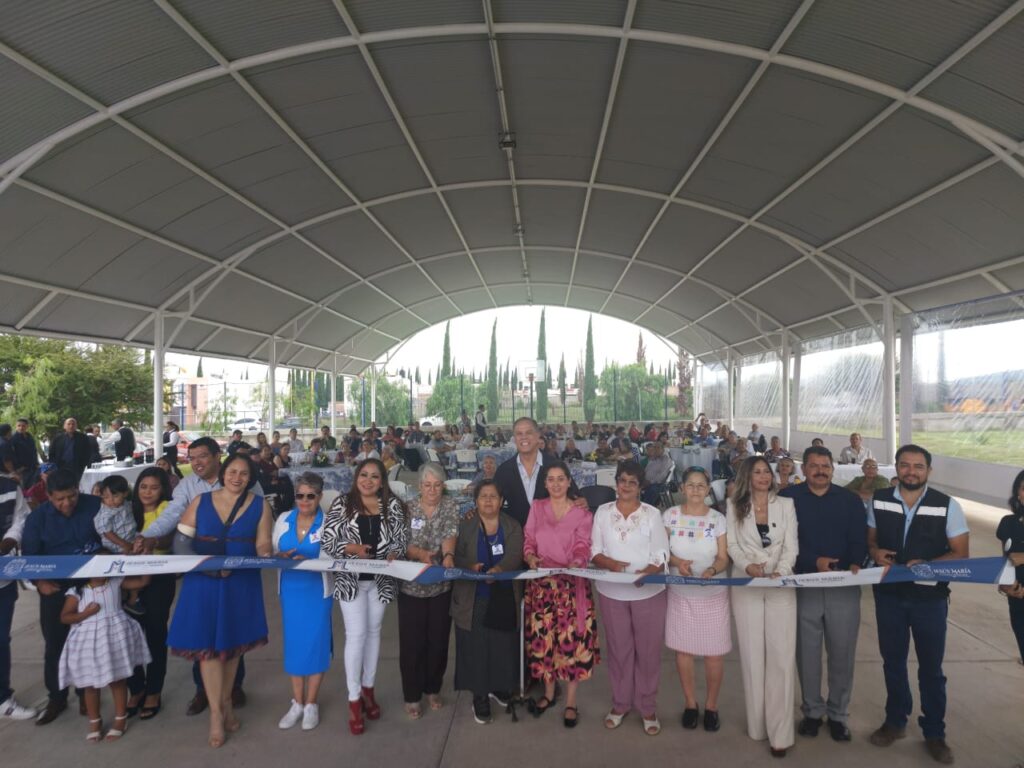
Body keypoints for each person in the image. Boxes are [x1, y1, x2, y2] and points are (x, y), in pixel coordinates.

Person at [136, 437, 263, 716]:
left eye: (202, 456)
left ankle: (234, 687)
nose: (196, 463)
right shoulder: (187, 486)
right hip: (202, 569)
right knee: (202, 631)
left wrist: (265, 551)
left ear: (218, 456)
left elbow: (260, 516)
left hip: (238, 569)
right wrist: (149, 536)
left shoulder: (243, 479)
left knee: (233, 627)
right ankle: (202, 690)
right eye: (192, 458)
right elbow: (172, 515)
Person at [867, 444, 969, 765]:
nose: (911, 471)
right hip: (889, 596)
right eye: (905, 465)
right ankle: (895, 720)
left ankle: (935, 732)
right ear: (896, 467)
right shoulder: (879, 499)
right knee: (893, 662)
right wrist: (875, 552)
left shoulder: (947, 505)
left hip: (930, 600)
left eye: (918, 466)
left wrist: (930, 565)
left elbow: (961, 553)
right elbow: (871, 539)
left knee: (931, 668)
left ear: (928, 471)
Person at [167, 453, 273, 748]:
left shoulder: (261, 505)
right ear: (224, 473)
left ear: (250, 478)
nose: (237, 478)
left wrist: (266, 554)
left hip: (241, 582)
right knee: (208, 651)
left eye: (244, 473)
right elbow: (181, 542)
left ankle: (226, 702)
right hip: (203, 583)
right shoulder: (200, 501)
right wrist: (208, 568)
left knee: (233, 647)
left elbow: (263, 541)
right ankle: (215, 713)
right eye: (232, 472)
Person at [780, 446, 866, 742]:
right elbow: (783, 542)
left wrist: (855, 561)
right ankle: (812, 712)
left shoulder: (850, 500)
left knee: (842, 653)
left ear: (833, 468)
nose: (820, 470)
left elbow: (859, 538)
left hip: (843, 585)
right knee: (807, 653)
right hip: (804, 584)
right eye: (814, 465)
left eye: (825, 465)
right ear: (803, 469)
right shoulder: (788, 499)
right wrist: (813, 561)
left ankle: (839, 714)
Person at [320, 458, 406, 735]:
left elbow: (401, 539)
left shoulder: (392, 505)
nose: (368, 481)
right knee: (356, 635)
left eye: (375, 476)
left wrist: (395, 552)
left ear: (382, 481)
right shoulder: (342, 504)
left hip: (380, 582)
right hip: (351, 582)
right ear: (356, 477)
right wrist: (350, 548)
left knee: (374, 632)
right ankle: (354, 699)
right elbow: (328, 541)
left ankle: (369, 688)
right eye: (364, 475)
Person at [590, 461, 669, 736]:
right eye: (622, 480)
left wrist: (649, 573)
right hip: (611, 592)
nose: (626, 486)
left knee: (648, 652)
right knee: (619, 651)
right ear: (616, 483)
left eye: (632, 482)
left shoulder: (652, 514)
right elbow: (594, 551)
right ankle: (621, 703)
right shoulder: (602, 512)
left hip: (648, 593)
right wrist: (610, 564)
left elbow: (661, 554)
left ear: (640, 487)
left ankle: (647, 706)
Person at [727, 456, 798, 757]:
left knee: (781, 656)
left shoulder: (786, 505)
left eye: (767, 471)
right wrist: (748, 566)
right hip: (747, 583)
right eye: (757, 472)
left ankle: (780, 734)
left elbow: (792, 545)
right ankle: (757, 725)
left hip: (781, 583)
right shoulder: (733, 505)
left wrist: (780, 571)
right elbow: (732, 545)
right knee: (752, 655)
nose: (764, 476)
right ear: (747, 476)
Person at [21, 469, 103, 724]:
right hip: (55, 587)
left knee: (90, 642)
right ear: (48, 496)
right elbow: (29, 556)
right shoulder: (37, 518)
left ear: (78, 489)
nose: (67, 503)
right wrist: (39, 582)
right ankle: (56, 697)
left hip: (91, 584)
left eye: (72, 496)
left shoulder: (96, 506)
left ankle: (86, 694)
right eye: (60, 499)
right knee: (55, 644)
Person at [523, 460, 599, 728]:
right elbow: (529, 540)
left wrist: (577, 561)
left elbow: (583, 545)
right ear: (544, 484)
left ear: (569, 482)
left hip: (571, 587)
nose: (555, 484)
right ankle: (548, 693)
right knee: (545, 641)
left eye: (560, 479)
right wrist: (530, 557)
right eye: (550, 479)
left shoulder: (582, 514)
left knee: (571, 643)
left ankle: (571, 701)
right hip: (542, 587)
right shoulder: (537, 507)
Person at [662, 467, 731, 733]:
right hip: (681, 593)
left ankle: (712, 706)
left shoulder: (718, 519)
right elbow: (662, 551)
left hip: (712, 594)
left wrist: (712, 570)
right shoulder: (670, 515)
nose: (695, 490)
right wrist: (678, 562)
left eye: (701, 485)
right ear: (682, 488)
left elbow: (723, 557)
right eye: (690, 485)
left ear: (708, 489)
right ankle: (690, 704)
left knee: (714, 653)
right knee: (684, 651)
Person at [452, 480, 523, 724]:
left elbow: (516, 553)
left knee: (502, 644)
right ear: (476, 501)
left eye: (494, 496)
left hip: (504, 595)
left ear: (501, 501)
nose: (489, 500)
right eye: (484, 496)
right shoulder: (465, 525)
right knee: (476, 647)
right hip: (474, 598)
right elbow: (455, 555)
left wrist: (500, 570)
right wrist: (469, 566)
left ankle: (500, 687)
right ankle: (480, 695)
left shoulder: (512, 525)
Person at [58, 572, 152, 742]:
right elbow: (65, 617)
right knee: (90, 684)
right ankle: (95, 721)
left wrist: (147, 561)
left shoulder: (115, 582)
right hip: (88, 641)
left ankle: (120, 718)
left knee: (117, 680)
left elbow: (142, 582)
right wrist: (85, 614)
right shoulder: (77, 591)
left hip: (113, 637)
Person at [272, 473, 332, 732]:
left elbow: (333, 557)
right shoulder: (283, 519)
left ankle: (311, 703)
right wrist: (279, 555)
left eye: (310, 496)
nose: (305, 500)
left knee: (316, 644)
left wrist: (312, 561)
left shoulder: (328, 523)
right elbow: (272, 550)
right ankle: (297, 701)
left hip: (316, 591)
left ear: (319, 497)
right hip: (290, 590)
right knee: (295, 645)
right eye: (300, 495)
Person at [399, 463, 459, 717]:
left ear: (443, 486)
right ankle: (412, 695)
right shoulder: (407, 508)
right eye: (427, 485)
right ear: (419, 486)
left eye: (437, 485)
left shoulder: (450, 505)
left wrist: (448, 555)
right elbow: (402, 542)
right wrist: (420, 554)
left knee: (438, 641)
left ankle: (433, 688)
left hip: (441, 586)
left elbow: (450, 533)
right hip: (411, 587)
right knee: (412, 643)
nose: (432, 490)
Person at [126, 467, 175, 720]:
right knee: (129, 634)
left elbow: (167, 539)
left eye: (154, 487)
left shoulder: (168, 508)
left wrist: (152, 541)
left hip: (159, 578)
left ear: (163, 489)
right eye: (143, 487)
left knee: (155, 633)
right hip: (127, 580)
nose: (147, 492)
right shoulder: (127, 509)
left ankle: (154, 691)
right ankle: (136, 689)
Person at [493, 417, 583, 528]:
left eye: (529, 433)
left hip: (551, 533)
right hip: (516, 535)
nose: (524, 437)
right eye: (519, 434)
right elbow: (493, 501)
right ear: (514, 438)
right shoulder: (504, 470)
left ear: (538, 435)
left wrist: (580, 501)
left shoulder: (555, 465)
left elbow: (574, 496)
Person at [0, 471, 35, 721]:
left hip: (3, 579)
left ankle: (2, 699)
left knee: (0, 640)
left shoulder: (9, 487)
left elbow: (21, 518)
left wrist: (7, 542)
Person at [94, 475, 144, 615]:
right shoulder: (105, 512)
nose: (110, 500)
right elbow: (107, 532)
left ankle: (133, 599)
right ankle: (124, 600)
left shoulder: (127, 505)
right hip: (115, 549)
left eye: (114, 496)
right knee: (122, 577)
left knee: (136, 572)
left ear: (125, 493)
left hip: (131, 543)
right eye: (105, 497)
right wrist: (124, 545)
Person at [996, 469, 1024, 664]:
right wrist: (1005, 584)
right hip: (1018, 599)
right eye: (1023, 488)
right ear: (1018, 494)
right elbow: (1006, 560)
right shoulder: (1008, 523)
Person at [641, 441, 675, 506]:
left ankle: (646, 507)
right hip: (648, 482)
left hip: (660, 484)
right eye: (654, 447)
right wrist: (643, 479)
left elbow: (662, 476)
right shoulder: (652, 459)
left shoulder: (666, 459)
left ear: (663, 449)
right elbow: (646, 470)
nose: (655, 449)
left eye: (658, 447)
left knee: (652, 489)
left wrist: (649, 482)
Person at [10, 418, 40, 487]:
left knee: (34, 487)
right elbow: (12, 454)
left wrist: (36, 463)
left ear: (27, 426)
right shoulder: (13, 438)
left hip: (33, 467)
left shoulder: (30, 437)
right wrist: (18, 467)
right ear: (16, 426)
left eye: (23, 426)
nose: (21, 428)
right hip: (21, 469)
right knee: (24, 488)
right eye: (19, 426)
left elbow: (34, 451)